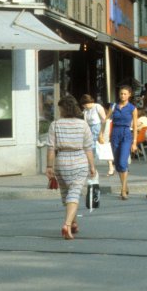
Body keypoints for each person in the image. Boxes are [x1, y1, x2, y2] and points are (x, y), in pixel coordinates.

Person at [45, 95, 97, 239]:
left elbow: (50, 148)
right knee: (74, 194)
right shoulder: (83, 125)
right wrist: (92, 166)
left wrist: (49, 166)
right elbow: (88, 148)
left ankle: (74, 223)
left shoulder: (55, 125)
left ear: (62, 109)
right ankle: (67, 224)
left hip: (61, 162)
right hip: (79, 161)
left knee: (66, 194)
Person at [105, 85, 138, 200]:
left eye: (125, 94)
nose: (122, 96)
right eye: (121, 94)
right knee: (118, 162)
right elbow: (106, 119)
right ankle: (125, 184)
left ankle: (123, 190)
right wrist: (100, 133)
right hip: (115, 133)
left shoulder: (133, 108)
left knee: (123, 161)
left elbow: (135, 126)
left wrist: (134, 142)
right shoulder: (114, 106)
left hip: (126, 134)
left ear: (129, 95)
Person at [80, 94, 112, 176]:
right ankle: (92, 168)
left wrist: (102, 134)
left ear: (89, 102)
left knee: (104, 147)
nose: (85, 106)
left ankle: (111, 167)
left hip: (100, 128)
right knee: (90, 149)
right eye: (84, 105)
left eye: (86, 104)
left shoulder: (97, 107)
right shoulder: (86, 110)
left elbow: (104, 120)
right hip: (90, 130)